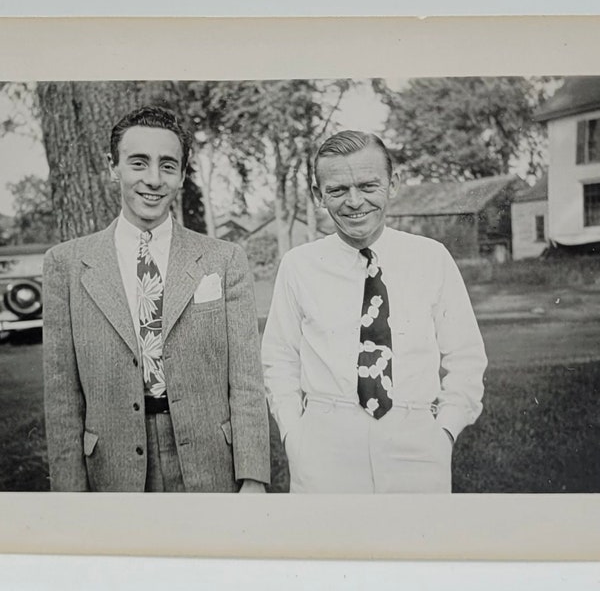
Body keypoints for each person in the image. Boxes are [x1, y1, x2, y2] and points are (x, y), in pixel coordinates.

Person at [43, 106, 270, 492]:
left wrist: (253, 477)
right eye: (138, 163)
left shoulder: (223, 259)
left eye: (168, 165)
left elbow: (246, 380)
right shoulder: (66, 264)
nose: (153, 179)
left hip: (210, 463)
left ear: (182, 174)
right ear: (113, 166)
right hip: (111, 468)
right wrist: (69, 495)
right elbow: (62, 395)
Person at [262, 130, 487, 493]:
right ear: (319, 195)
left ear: (393, 183)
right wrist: (294, 438)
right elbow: (278, 360)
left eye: (368, 186)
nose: (354, 202)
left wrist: (444, 432)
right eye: (337, 190)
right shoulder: (299, 265)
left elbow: (466, 357)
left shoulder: (431, 258)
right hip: (325, 447)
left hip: (416, 445)